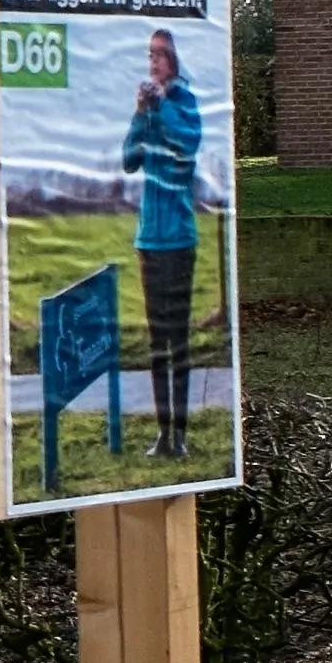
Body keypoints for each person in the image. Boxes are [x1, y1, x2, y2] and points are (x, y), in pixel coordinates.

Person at [123, 30, 205, 459]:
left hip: (179, 240)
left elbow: (186, 144)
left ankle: (182, 433)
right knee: (158, 342)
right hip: (148, 242)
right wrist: (140, 114)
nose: (152, 61)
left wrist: (161, 108)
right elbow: (129, 159)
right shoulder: (150, 106)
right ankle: (163, 436)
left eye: (159, 54)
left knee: (178, 340)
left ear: (173, 60)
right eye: (148, 54)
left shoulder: (183, 104)